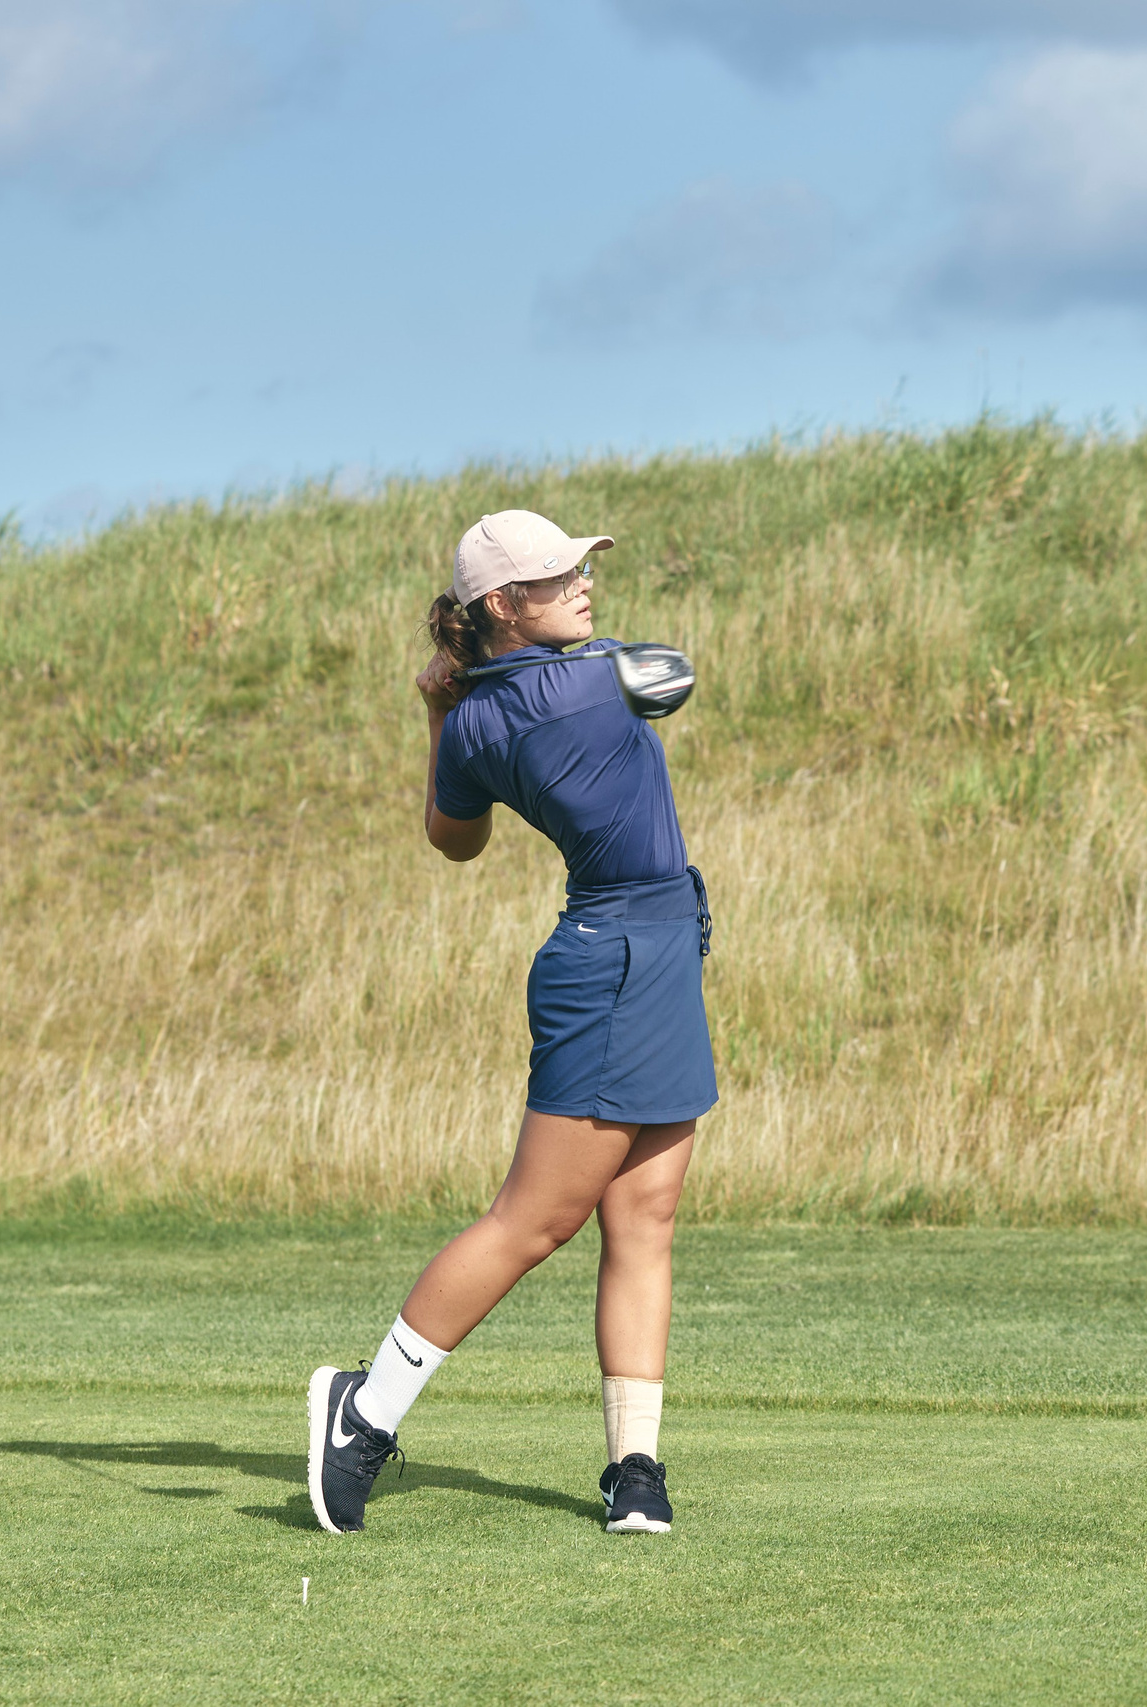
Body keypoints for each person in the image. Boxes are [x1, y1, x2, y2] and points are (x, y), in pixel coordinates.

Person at [306, 508, 717, 1537]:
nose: (584, 582)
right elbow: (672, 672)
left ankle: (635, 1469)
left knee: (645, 1217)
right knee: (535, 1221)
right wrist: (591, 670)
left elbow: (454, 838)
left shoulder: (478, 716)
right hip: (617, 957)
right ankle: (364, 1412)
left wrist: (438, 713)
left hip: (655, 946)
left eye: (581, 566)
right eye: (558, 574)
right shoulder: (585, 678)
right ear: (502, 605)